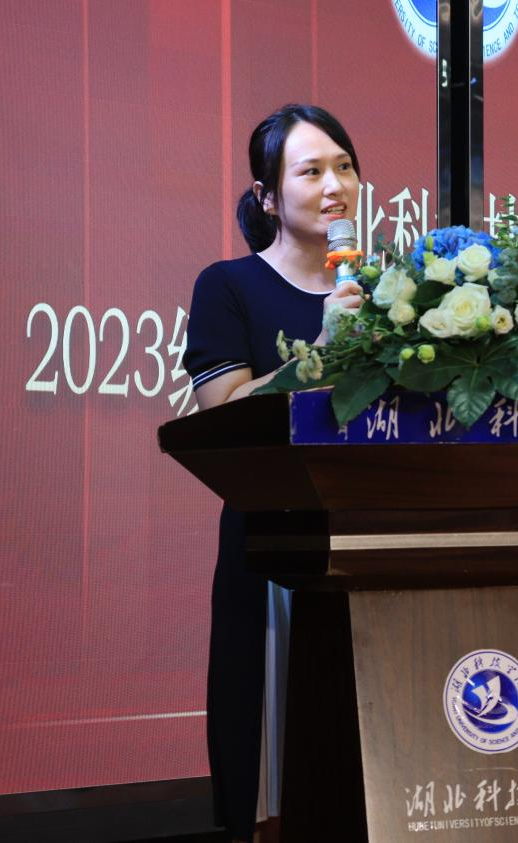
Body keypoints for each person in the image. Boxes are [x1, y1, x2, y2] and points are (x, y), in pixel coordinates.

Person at [184, 103, 363, 843]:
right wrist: (319, 352)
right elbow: (222, 413)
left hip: (374, 540)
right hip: (273, 549)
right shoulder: (229, 286)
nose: (335, 186)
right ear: (266, 196)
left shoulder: (384, 290)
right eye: (311, 171)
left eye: (345, 167)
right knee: (274, 770)